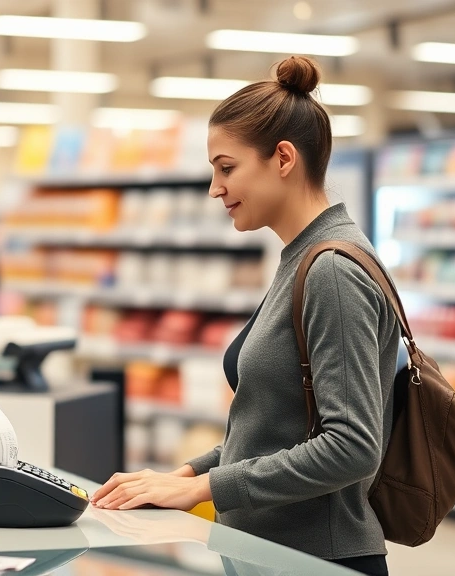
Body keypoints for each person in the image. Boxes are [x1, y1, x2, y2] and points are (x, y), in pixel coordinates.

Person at [91, 55, 398, 576]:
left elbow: (352, 446)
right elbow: (274, 428)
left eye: (226, 167)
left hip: (316, 559)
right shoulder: (300, 257)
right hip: (270, 553)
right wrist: (183, 474)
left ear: (282, 158)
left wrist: (204, 487)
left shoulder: (331, 270)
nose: (215, 188)